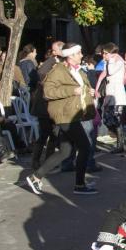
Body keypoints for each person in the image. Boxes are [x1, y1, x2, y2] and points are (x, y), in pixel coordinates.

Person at [25, 43, 98, 195]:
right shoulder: (58, 70)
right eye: (78, 53)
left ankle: (35, 177)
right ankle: (79, 184)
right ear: (70, 55)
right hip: (65, 115)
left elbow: (81, 88)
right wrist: (73, 90)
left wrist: (89, 91)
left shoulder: (79, 71)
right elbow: (48, 92)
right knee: (84, 147)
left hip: (75, 114)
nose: (81, 55)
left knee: (65, 151)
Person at [30, 40, 63, 171]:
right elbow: (41, 74)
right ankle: (36, 161)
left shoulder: (61, 62)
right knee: (45, 134)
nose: (54, 52)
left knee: (54, 133)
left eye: (56, 50)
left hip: (53, 104)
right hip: (44, 105)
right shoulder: (51, 62)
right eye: (54, 50)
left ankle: (49, 161)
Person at [95, 43, 126, 153]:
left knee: (116, 119)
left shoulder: (119, 62)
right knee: (107, 119)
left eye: (106, 53)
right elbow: (103, 74)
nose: (104, 56)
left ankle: (120, 145)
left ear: (111, 53)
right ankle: (120, 139)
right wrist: (97, 88)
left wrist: (110, 60)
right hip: (109, 95)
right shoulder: (108, 63)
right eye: (103, 54)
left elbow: (110, 71)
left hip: (118, 96)